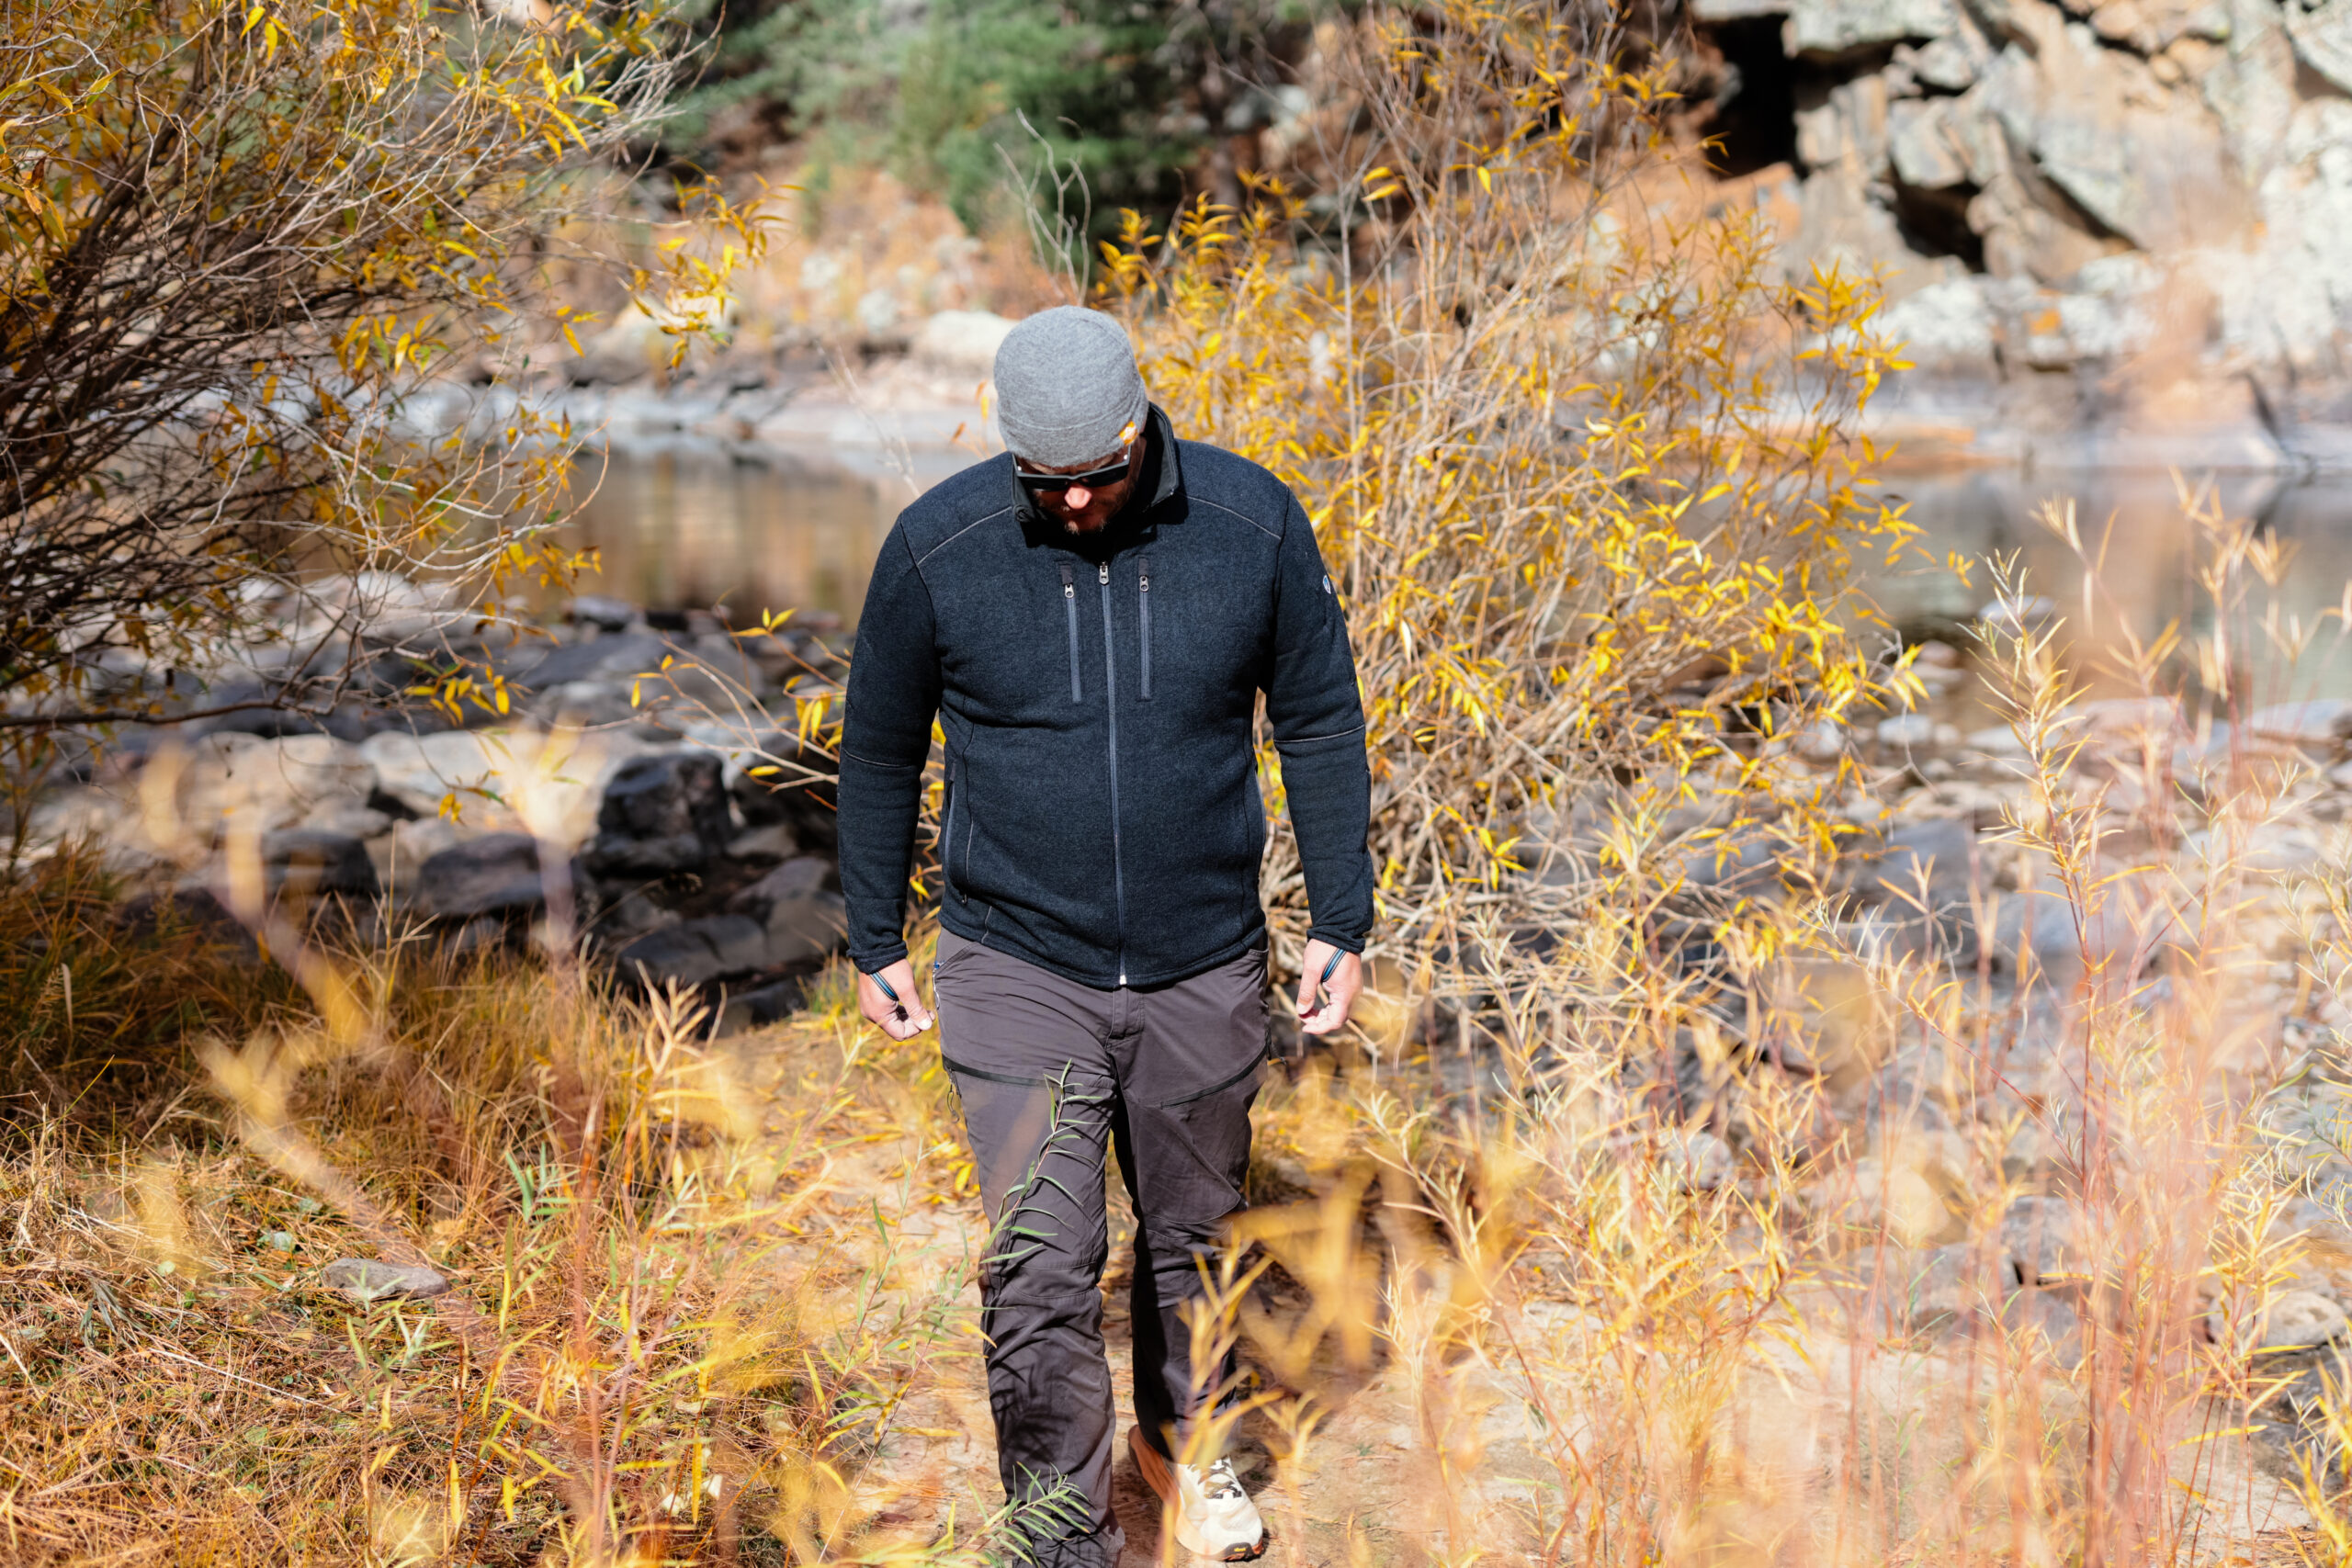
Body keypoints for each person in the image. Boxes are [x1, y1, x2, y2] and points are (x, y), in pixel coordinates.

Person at [837, 305, 1373, 1565]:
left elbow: (1320, 719)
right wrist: (873, 934)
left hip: (1201, 965)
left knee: (1194, 1250)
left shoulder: (1250, 525)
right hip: (1016, 962)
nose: (1073, 503)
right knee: (1038, 1267)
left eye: (1097, 476)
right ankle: (1059, 1531)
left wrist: (1341, 918)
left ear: (1143, 428)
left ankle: (1184, 1463)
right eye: (1045, 480)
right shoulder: (942, 545)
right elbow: (877, 746)